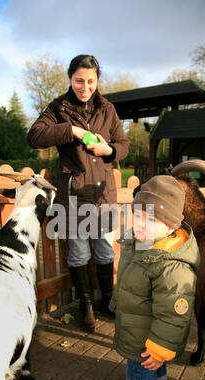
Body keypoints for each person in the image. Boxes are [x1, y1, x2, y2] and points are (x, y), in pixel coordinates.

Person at [27, 55, 128, 333]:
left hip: (103, 193)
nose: (85, 87)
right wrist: (71, 130)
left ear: (97, 81)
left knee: (106, 248)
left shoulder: (107, 108)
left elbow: (123, 143)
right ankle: (85, 304)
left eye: (91, 81)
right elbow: (35, 136)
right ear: (70, 79)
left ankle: (108, 299)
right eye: (79, 80)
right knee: (79, 252)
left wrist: (109, 151)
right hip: (72, 193)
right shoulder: (58, 107)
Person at [111, 175, 200, 380]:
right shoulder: (142, 242)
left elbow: (174, 315)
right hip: (141, 327)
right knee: (154, 365)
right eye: (137, 215)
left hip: (145, 336)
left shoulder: (171, 267)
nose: (140, 223)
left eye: (150, 219)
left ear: (170, 227)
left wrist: (162, 347)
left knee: (139, 372)